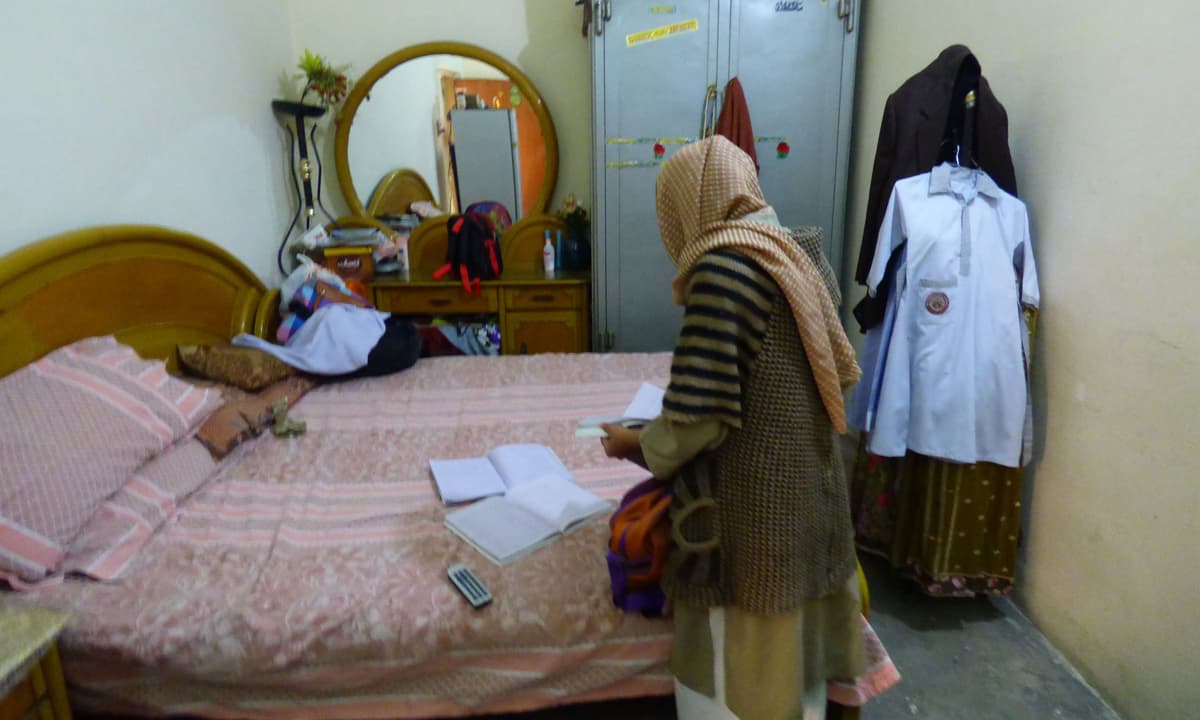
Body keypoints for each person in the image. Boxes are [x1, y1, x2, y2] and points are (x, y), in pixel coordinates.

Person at [601, 135, 863, 720]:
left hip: (751, 520)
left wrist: (635, 442)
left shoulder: (724, 269)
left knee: (737, 685)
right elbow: (831, 375)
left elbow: (697, 423)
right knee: (800, 680)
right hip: (812, 497)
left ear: (685, 204)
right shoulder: (794, 252)